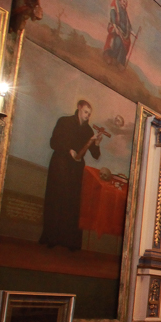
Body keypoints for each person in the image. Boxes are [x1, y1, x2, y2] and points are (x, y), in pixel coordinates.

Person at [40, 100, 105, 251]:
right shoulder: (64, 121)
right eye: (85, 112)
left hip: (75, 170)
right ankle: (51, 238)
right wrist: (68, 150)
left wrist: (97, 143)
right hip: (60, 166)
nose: (87, 116)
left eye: (89, 114)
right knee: (56, 199)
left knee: (72, 203)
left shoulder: (88, 131)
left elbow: (95, 155)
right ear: (79, 109)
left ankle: (70, 241)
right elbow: (53, 142)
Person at [103, 0, 135, 67]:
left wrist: (133, 33)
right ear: (120, 1)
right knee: (117, 41)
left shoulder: (125, 13)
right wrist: (115, 26)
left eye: (126, 3)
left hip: (123, 34)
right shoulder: (116, 6)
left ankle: (119, 62)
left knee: (125, 44)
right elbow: (112, 15)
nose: (125, 4)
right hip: (115, 29)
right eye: (124, 2)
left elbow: (128, 25)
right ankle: (108, 56)